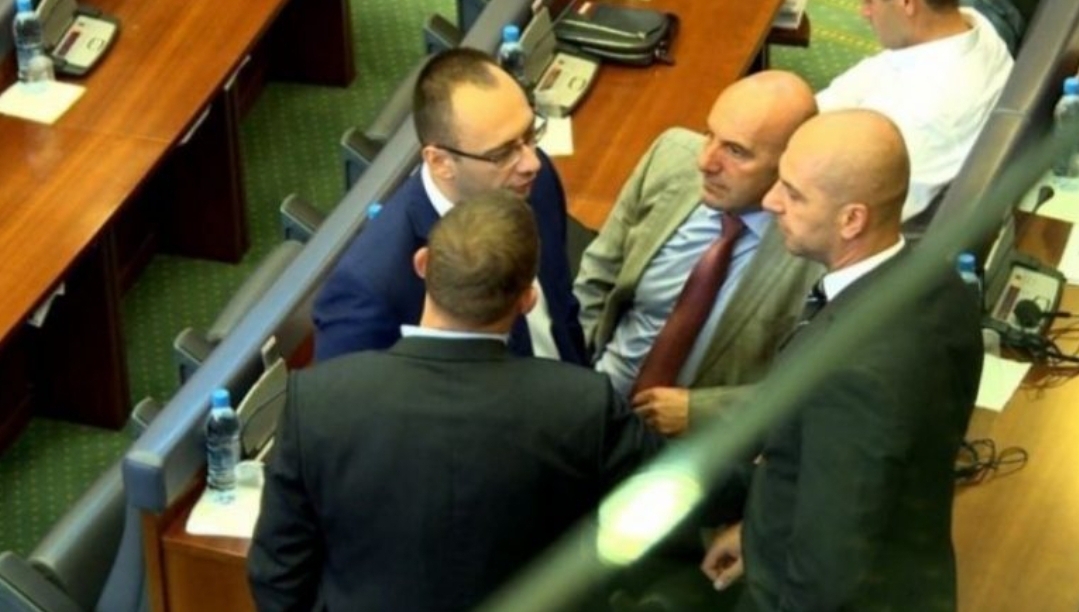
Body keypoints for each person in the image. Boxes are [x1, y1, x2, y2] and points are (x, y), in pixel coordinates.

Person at [249, 192, 660, 612]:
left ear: (422, 264)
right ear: (527, 299)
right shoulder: (584, 405)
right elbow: (672, 505)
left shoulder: (318, 400)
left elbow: (277, 573)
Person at [700, 110, 984, 611]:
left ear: (852, 219)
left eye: (793, 194)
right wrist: (759, 535)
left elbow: (827, 577)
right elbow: (842, 487)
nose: (770, 201)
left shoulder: (851, 377)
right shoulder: (939, 284)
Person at [574, 70, 821, 437]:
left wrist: (702, 412)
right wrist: (575, 374)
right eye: (709, 134)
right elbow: (598, 273)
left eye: (735, 151)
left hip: (692, 443)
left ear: (789, 163)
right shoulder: (670, 155)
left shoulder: (815, 251)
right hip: (595, 392)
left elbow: (812, 386)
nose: (706, 162)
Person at [313, 47, 585, 364]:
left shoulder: (533, 183)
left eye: (530, 133)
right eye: (502, 154)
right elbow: (351, 394)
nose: (531, 162)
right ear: (440, 162)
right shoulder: (368, 289)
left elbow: (562, 305)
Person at [816, 0, 1014, 223]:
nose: (864, 12)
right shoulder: (972, 26)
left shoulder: (916, 123)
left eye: (870, 2)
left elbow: (858, 219)